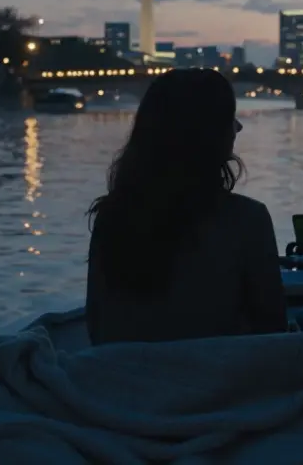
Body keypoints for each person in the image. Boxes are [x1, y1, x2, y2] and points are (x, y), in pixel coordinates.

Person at [85, 68, 288, 345]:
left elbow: (97, 327)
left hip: (128, 369)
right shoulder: (248, 220)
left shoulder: (110, 218)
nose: (238, 128)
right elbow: (273, 335)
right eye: (229, 119)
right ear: (211, 134)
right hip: (219, 370)